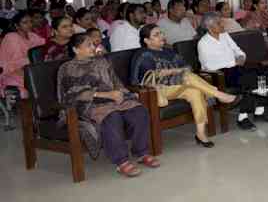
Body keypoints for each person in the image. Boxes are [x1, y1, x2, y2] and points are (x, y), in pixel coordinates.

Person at [57, 33, 160, 178]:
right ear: (76, 49)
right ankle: (121, 161)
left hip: (113, 100)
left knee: (139, 110)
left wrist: (124, 93)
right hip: (88, 105)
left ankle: (141, 152)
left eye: (94, 44)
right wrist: (106, 95)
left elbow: (116, 82)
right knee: (112, 117)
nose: (94, 47)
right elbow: (72, 94)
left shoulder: (102, 62)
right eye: (89, 45)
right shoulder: (68, 68)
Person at [130, 24, 241, 148]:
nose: (161, 36)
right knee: (187, 77)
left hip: (178, 85)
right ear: (146, 40)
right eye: (156, 35)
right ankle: (219, 94)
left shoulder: (169, 52)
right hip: (158, 90)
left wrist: (173, 71)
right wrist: (169, 73)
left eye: (161, 33)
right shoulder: (142, 54)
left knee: (195, 91)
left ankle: (200, 133)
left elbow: (188, 67)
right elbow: (134, 80)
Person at [197, 12, 267, 131]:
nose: (222, 25)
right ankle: (242, 117)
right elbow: (209, 66)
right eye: (219, 23)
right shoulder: (203, 43)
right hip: (220, 74)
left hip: (235, 68)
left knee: (262, 73)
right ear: (209, 27)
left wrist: (240, 57)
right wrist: (233, 62)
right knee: (249, 79)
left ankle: (259, 111)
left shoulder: (225, 35)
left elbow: (238, 51)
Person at [0, 11, 46, 98]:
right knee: (33, 88)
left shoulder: (32, 35)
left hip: (30, 69)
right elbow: (16, 63)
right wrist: (32, 61)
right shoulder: (11, 37)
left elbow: (44, 45)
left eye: (30, 21)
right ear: (17, 26)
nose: (29, 25)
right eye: (25, 22)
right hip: (11, 71)